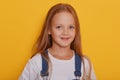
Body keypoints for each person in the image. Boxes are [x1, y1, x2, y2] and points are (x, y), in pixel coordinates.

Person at [19, 3, 96, 80]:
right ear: (49, 29)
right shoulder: (36, 62)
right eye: (59, 27)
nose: (65, 32)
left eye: (71, 27)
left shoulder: (84, 64)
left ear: (76, 30)